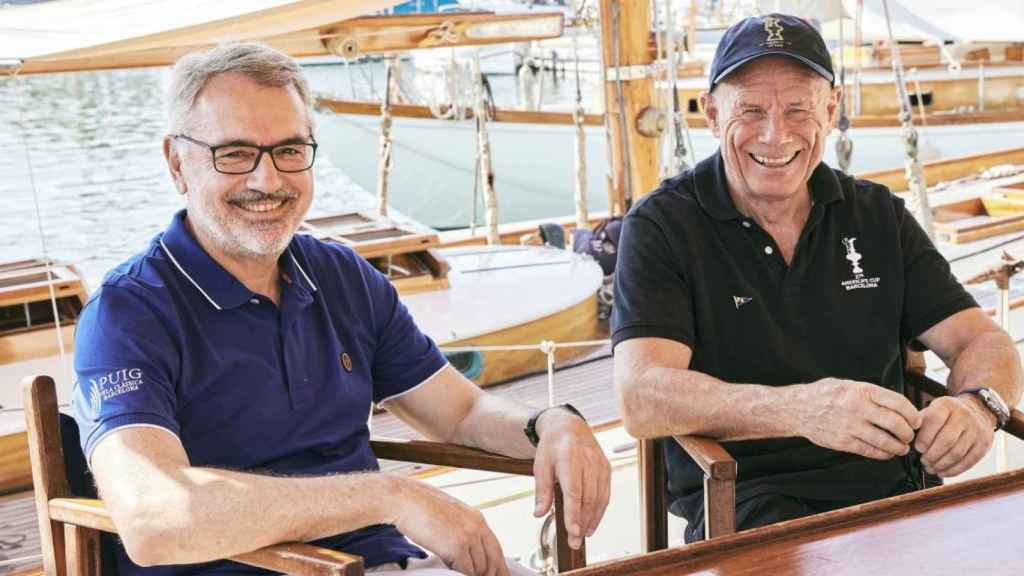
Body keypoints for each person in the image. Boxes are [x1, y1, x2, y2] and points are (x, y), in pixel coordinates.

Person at [72, 42, 610, 576]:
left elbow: (462, 413)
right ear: (177, 162)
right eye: (234, 154)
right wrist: (387, 496)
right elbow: (153, 516)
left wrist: (550, 424)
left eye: (289, 149)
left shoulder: (341, 277)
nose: (268, 180)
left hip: (380, 563)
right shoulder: (129, 313)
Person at [612, 13, 1023, 543]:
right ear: (712, 115)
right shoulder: (662, 225)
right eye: (751, 110)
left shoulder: (877, 214)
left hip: (899, 492)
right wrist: (802, 410)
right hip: (749, 504)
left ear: (832, 110)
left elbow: (982, 340)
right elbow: (642, 396)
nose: (774, 134)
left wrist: (979, 406)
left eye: (798, 109)